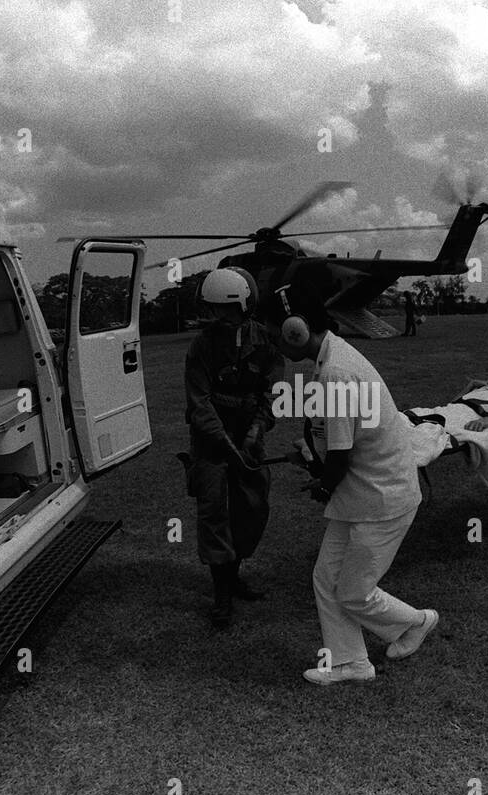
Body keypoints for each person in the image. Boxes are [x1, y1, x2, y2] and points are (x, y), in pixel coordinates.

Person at [266, 263, 436, 684]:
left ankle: (415, 622)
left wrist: (322, 482)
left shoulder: (337, 373)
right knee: (326, 578)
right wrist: (314, 461)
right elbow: (337, 444)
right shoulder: (330, 361)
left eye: (274, 331)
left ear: (295, 330)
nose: (273, 341)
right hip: (362, 493)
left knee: (354, 591)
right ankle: (350, 662)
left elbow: (339, 458)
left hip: (381, 499)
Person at [183, 267, 284, 628]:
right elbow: (200, 404)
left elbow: (274, 393)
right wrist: (228, 448)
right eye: (212, 310)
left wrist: (255, 433)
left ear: (244, 305)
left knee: (252, 508)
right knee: (213, 513)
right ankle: (221, 594)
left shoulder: (268, 342)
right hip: (212, 442)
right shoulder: (202, 345)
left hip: (249, 437)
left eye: (224, 310)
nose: (217, 318)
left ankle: (235, 574)